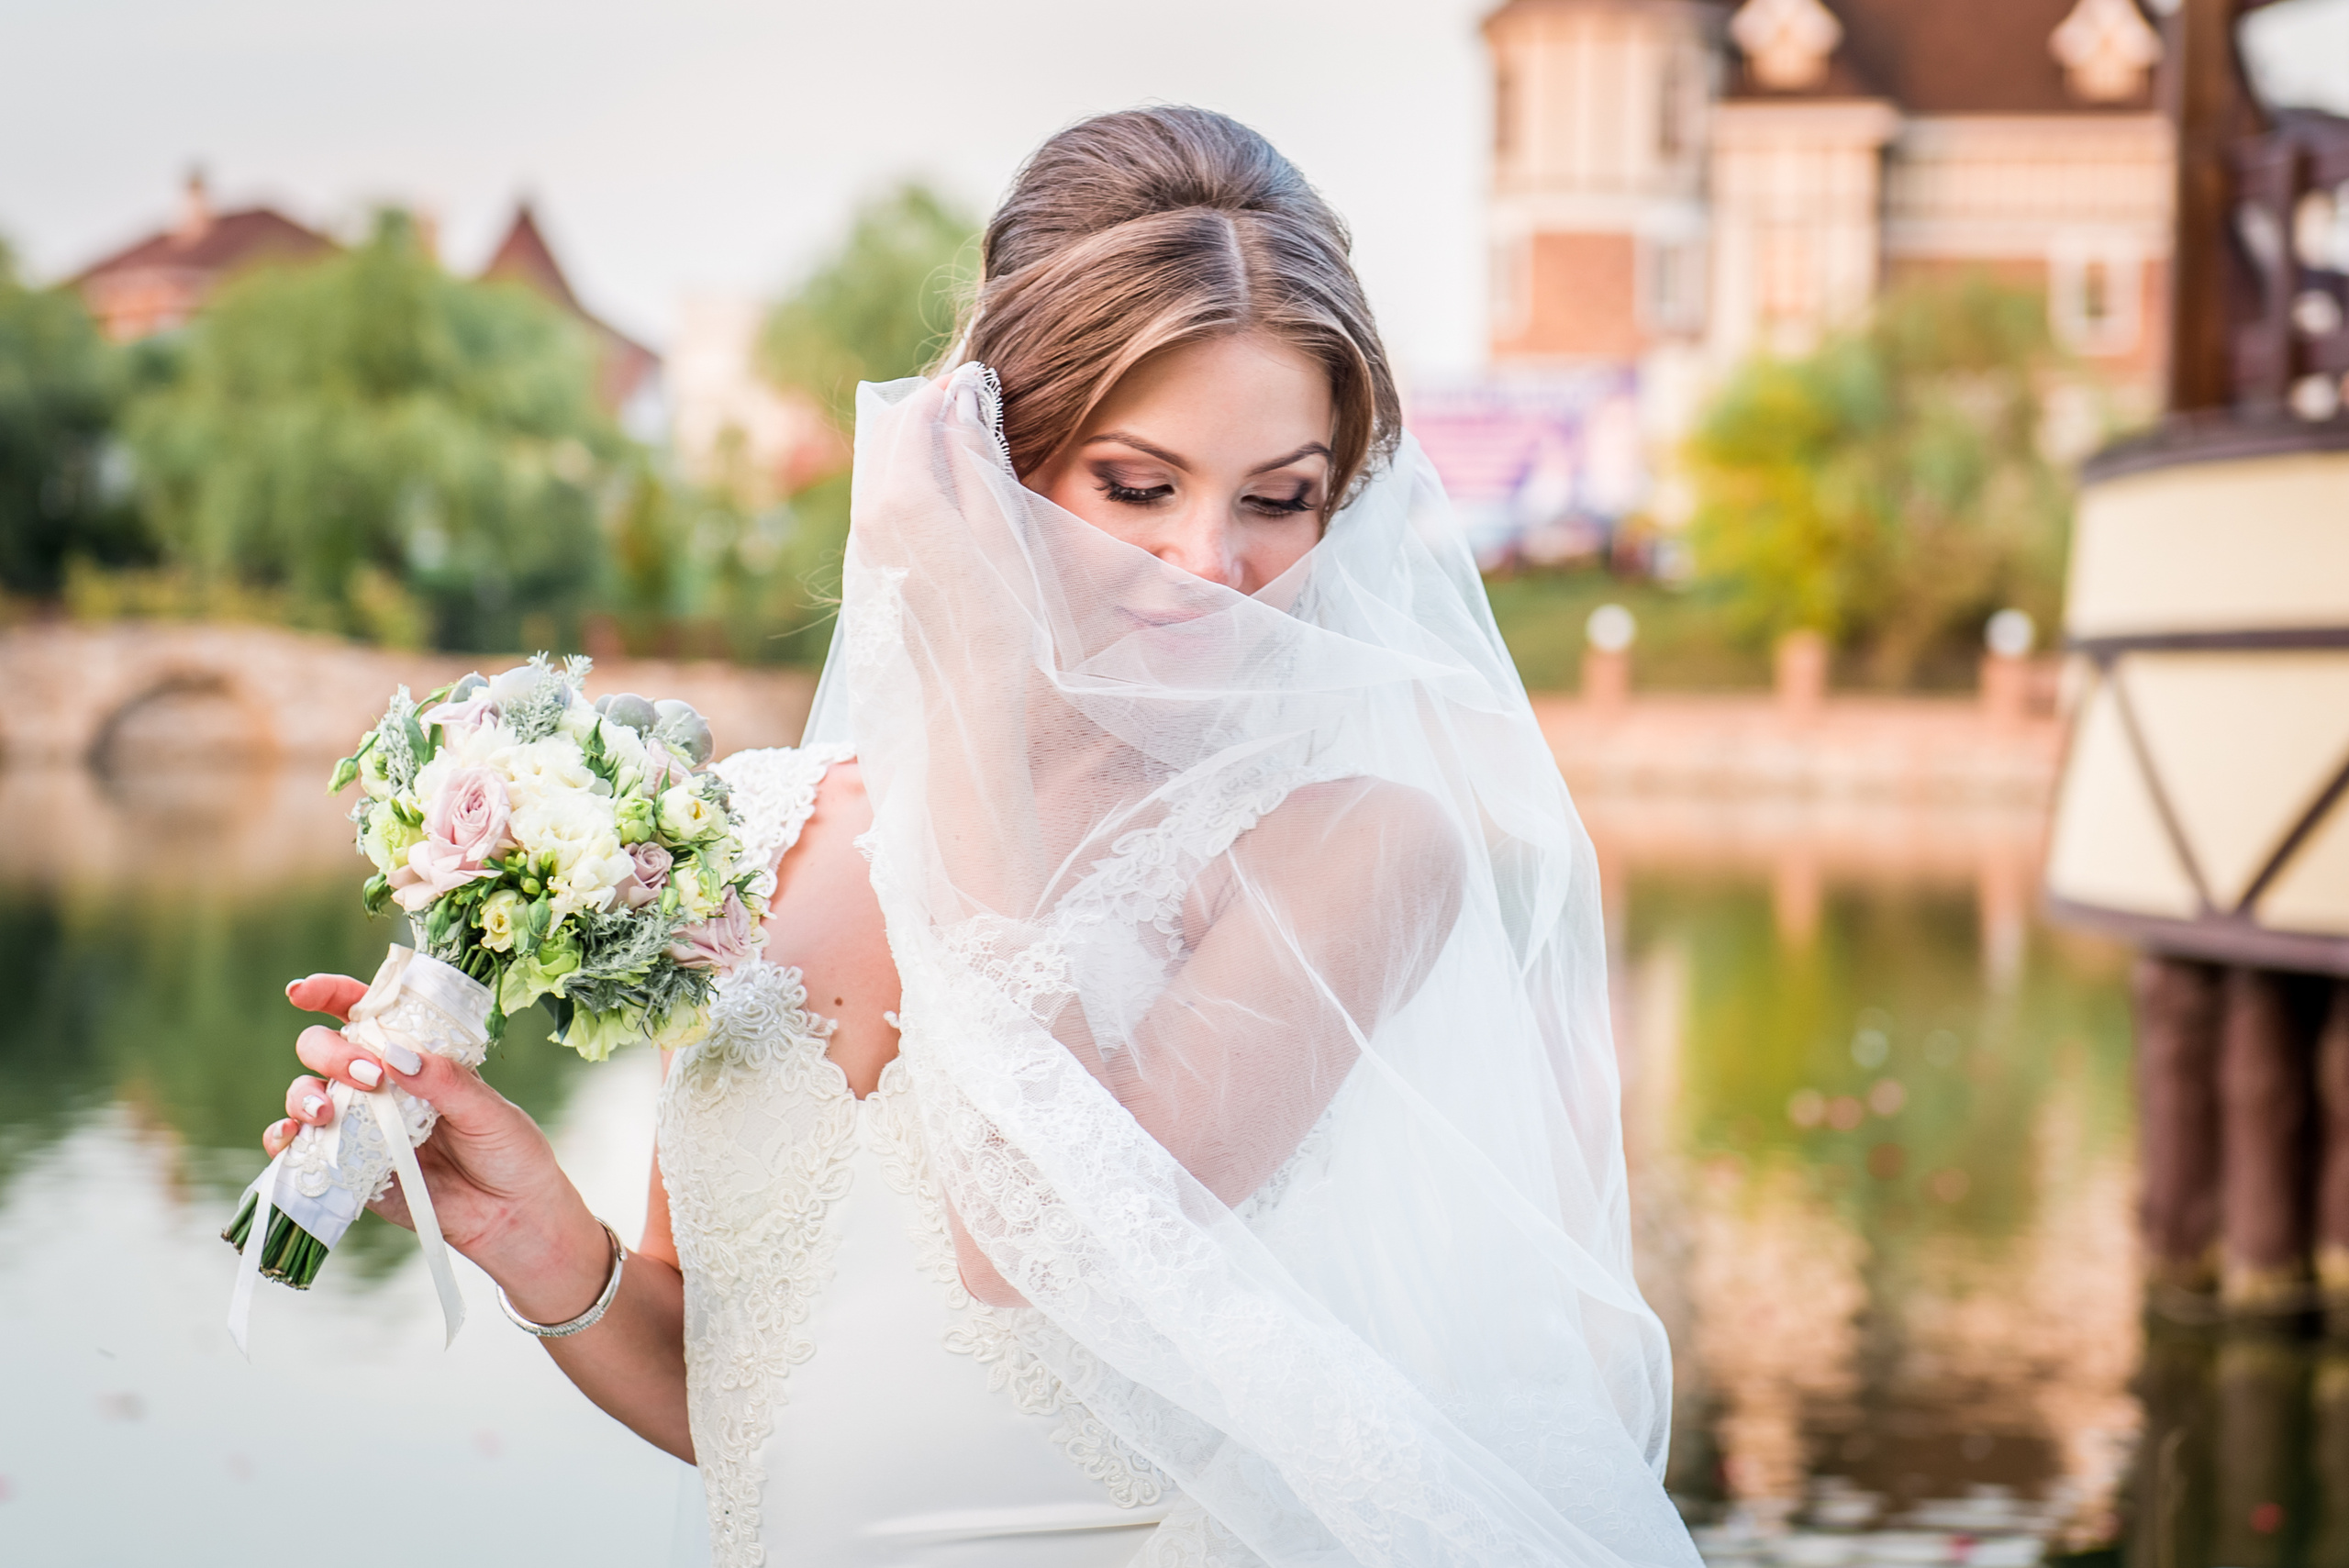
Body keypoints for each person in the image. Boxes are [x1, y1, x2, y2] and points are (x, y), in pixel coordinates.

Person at [264, 106, 1701, 1568]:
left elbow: (1033, 1246)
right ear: (998, 453)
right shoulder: (751, 835)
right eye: (1137, 485)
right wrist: (538, 1240)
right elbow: (748, 1394)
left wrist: (973, 669)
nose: (1211, 563)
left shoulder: (1356, 849)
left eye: (1282, 498)